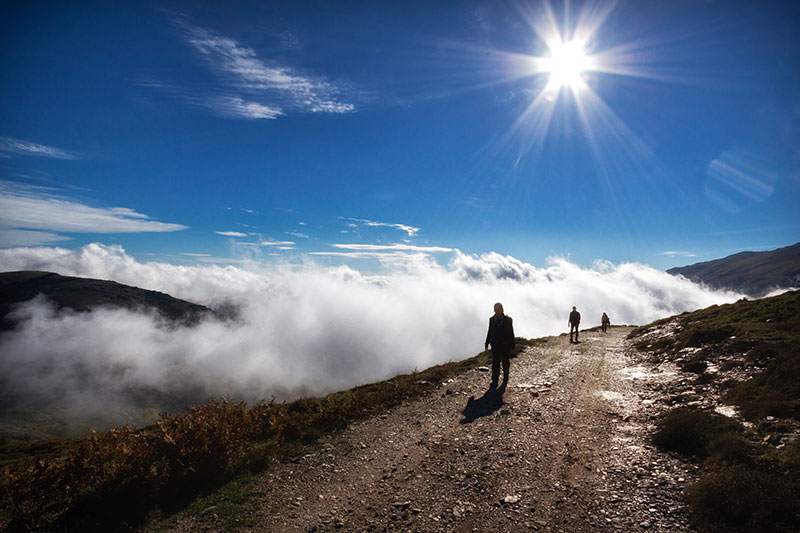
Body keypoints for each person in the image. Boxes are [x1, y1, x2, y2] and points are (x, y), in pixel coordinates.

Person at [485, 302, 515, 389]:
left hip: (505, 345)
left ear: (502, 309)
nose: (497, 311)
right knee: (495, 364)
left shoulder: (508, 320)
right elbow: (489, 332)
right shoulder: (491, 320)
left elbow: (511, 333)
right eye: (496, 310)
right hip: (495, 346)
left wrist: (512, 346)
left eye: (499, 309)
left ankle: (505, 378)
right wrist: (486, 344)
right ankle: (495, 381)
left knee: (505, 363)